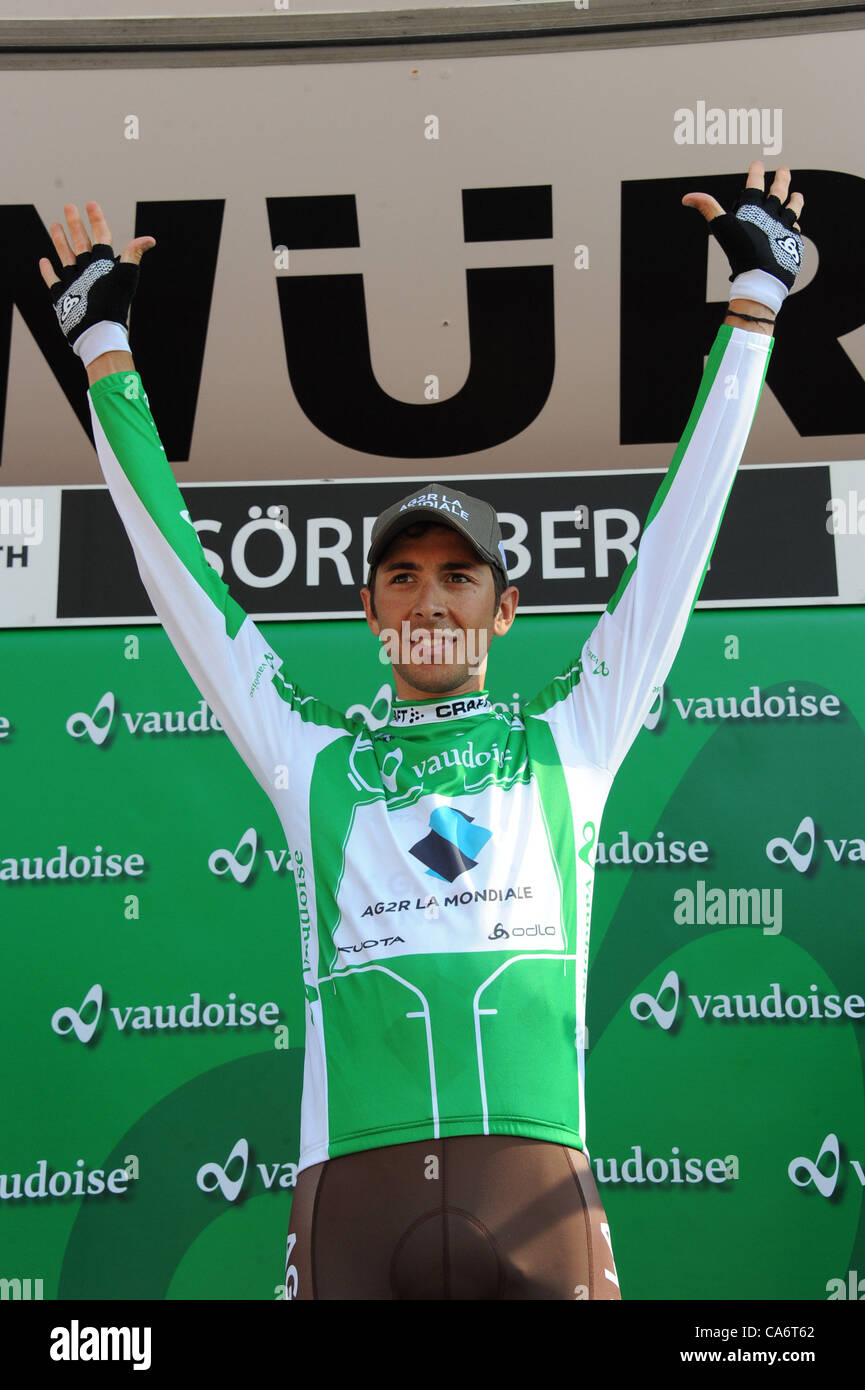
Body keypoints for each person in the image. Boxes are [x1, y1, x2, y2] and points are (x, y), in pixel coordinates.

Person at [39, 163, 803, 1300]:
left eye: (458, 578)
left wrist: (753, 308)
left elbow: (679, 540)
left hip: (535, 1189)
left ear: (504, 610)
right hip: (351, 1202)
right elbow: (184, 582)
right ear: (371, 610)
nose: (430, 600)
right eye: (401, 577)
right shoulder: (313, 763)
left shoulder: (571, 743)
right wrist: (103, 353)